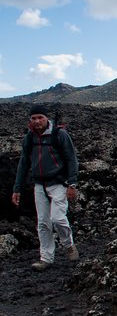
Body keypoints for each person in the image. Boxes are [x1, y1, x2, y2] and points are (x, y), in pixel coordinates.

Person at [11, 104, 79, 271]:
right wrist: (17, 188)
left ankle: (69, 245)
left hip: (59, 183)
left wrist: (72, 184)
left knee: (58, 219)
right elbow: (24, 163)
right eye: (33, 118)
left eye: (40, 117)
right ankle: (46, 258)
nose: (37, 121)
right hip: (39, 184)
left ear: (46, 118)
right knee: (43, 223)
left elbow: (71, 158)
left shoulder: (59, 134)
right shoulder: (30, 138)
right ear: (30, 120)